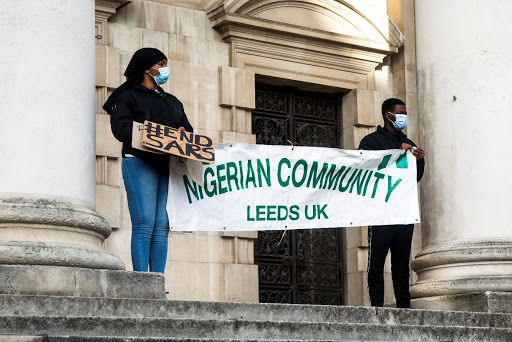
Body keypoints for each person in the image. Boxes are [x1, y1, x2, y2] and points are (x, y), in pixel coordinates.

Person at [103, 48, 193, 273]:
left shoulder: (172, 101)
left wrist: (182, 132)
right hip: (140, 161)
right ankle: (143, 283)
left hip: (167, 165)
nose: (164, 69)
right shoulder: (128, 96)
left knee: (162, 225)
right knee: (144, 223)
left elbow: (188, 130)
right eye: (161, 63)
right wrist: (151, 137)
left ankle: (158, 281)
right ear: (147, 67)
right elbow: (121, 128)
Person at [359, 98, 425, 308]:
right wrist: (398, 151)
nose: (403, 117)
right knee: (376, 264)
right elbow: (366, 168)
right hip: (381, 213)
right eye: (400, 113)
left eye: (405, 113)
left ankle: (404, 308)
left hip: (403, 213)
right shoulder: (371, 141)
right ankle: (377, 308)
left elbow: (414, 177)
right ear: (388, 115)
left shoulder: (410, 143)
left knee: (401, 265)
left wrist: (419, 159)